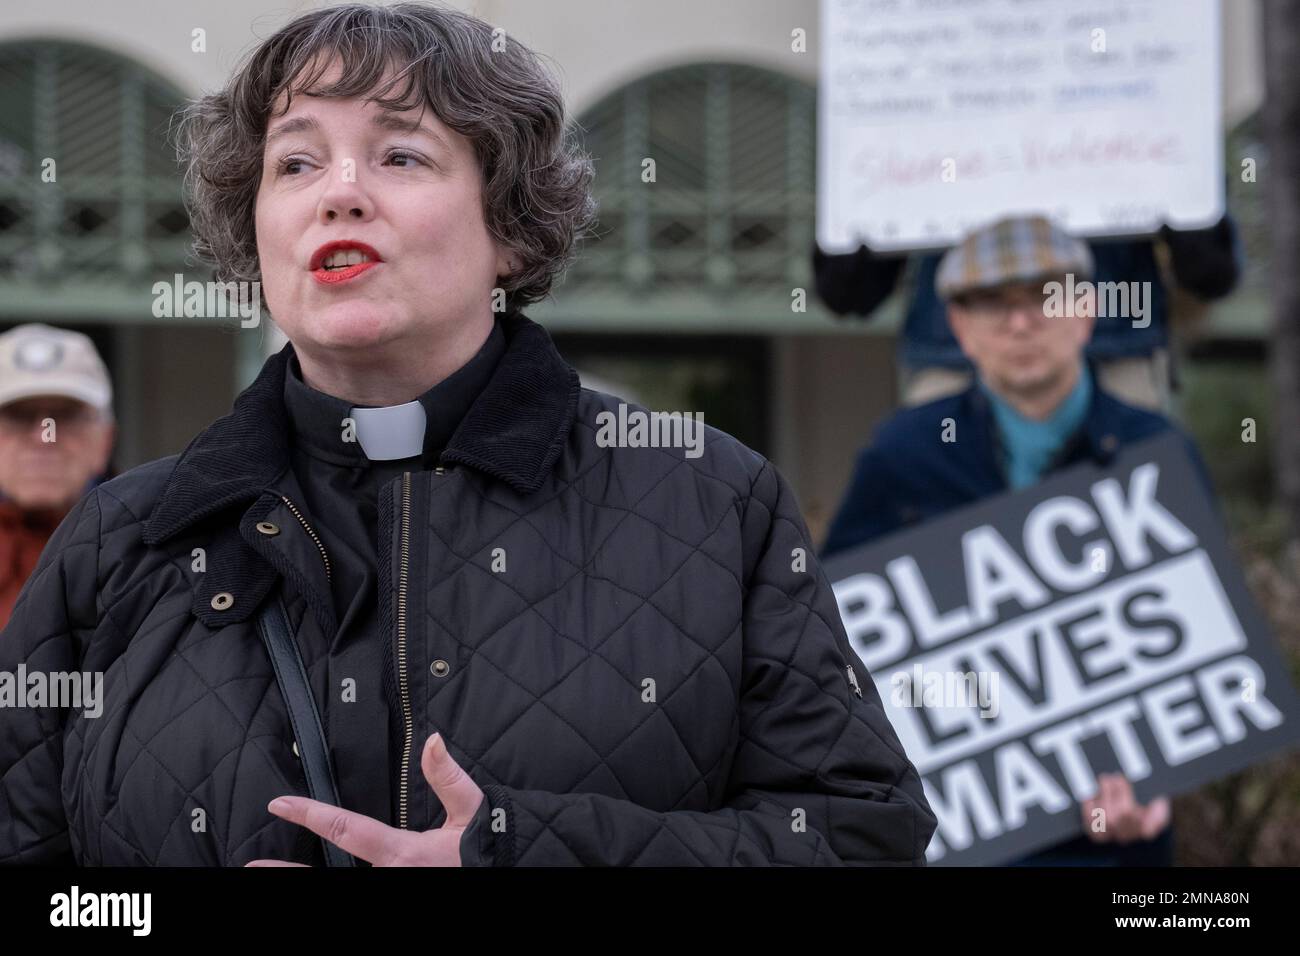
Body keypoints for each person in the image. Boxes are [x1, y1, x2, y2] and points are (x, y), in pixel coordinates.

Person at [0, 2, 934, 867]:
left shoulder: (711, 501)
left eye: (401, 156)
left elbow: (859, 834)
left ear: (512, 230)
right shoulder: (123, 536)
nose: (341, 193)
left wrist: (525, 854)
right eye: (296, 162)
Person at [820, 215, 1204, 865]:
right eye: (994, 306)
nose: (1021, 324)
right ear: (960, 330)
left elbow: (1200, 643)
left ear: (1086, 313)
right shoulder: (901, 454)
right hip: (953, 829)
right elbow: (835, 632)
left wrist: (1159, 787)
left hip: (1112, 836)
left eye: (1045, 300)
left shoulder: (1157, 451)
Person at [812, 216, 1242, 411]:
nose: (1023, 320)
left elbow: (1210, 271)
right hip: (953, 365)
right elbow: (851, 291)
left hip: (1115, 359)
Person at [0, 324, 115, 630]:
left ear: (104, 440)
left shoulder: (150, 552)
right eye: (18, 416)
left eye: (66, 416)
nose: (44, 437)